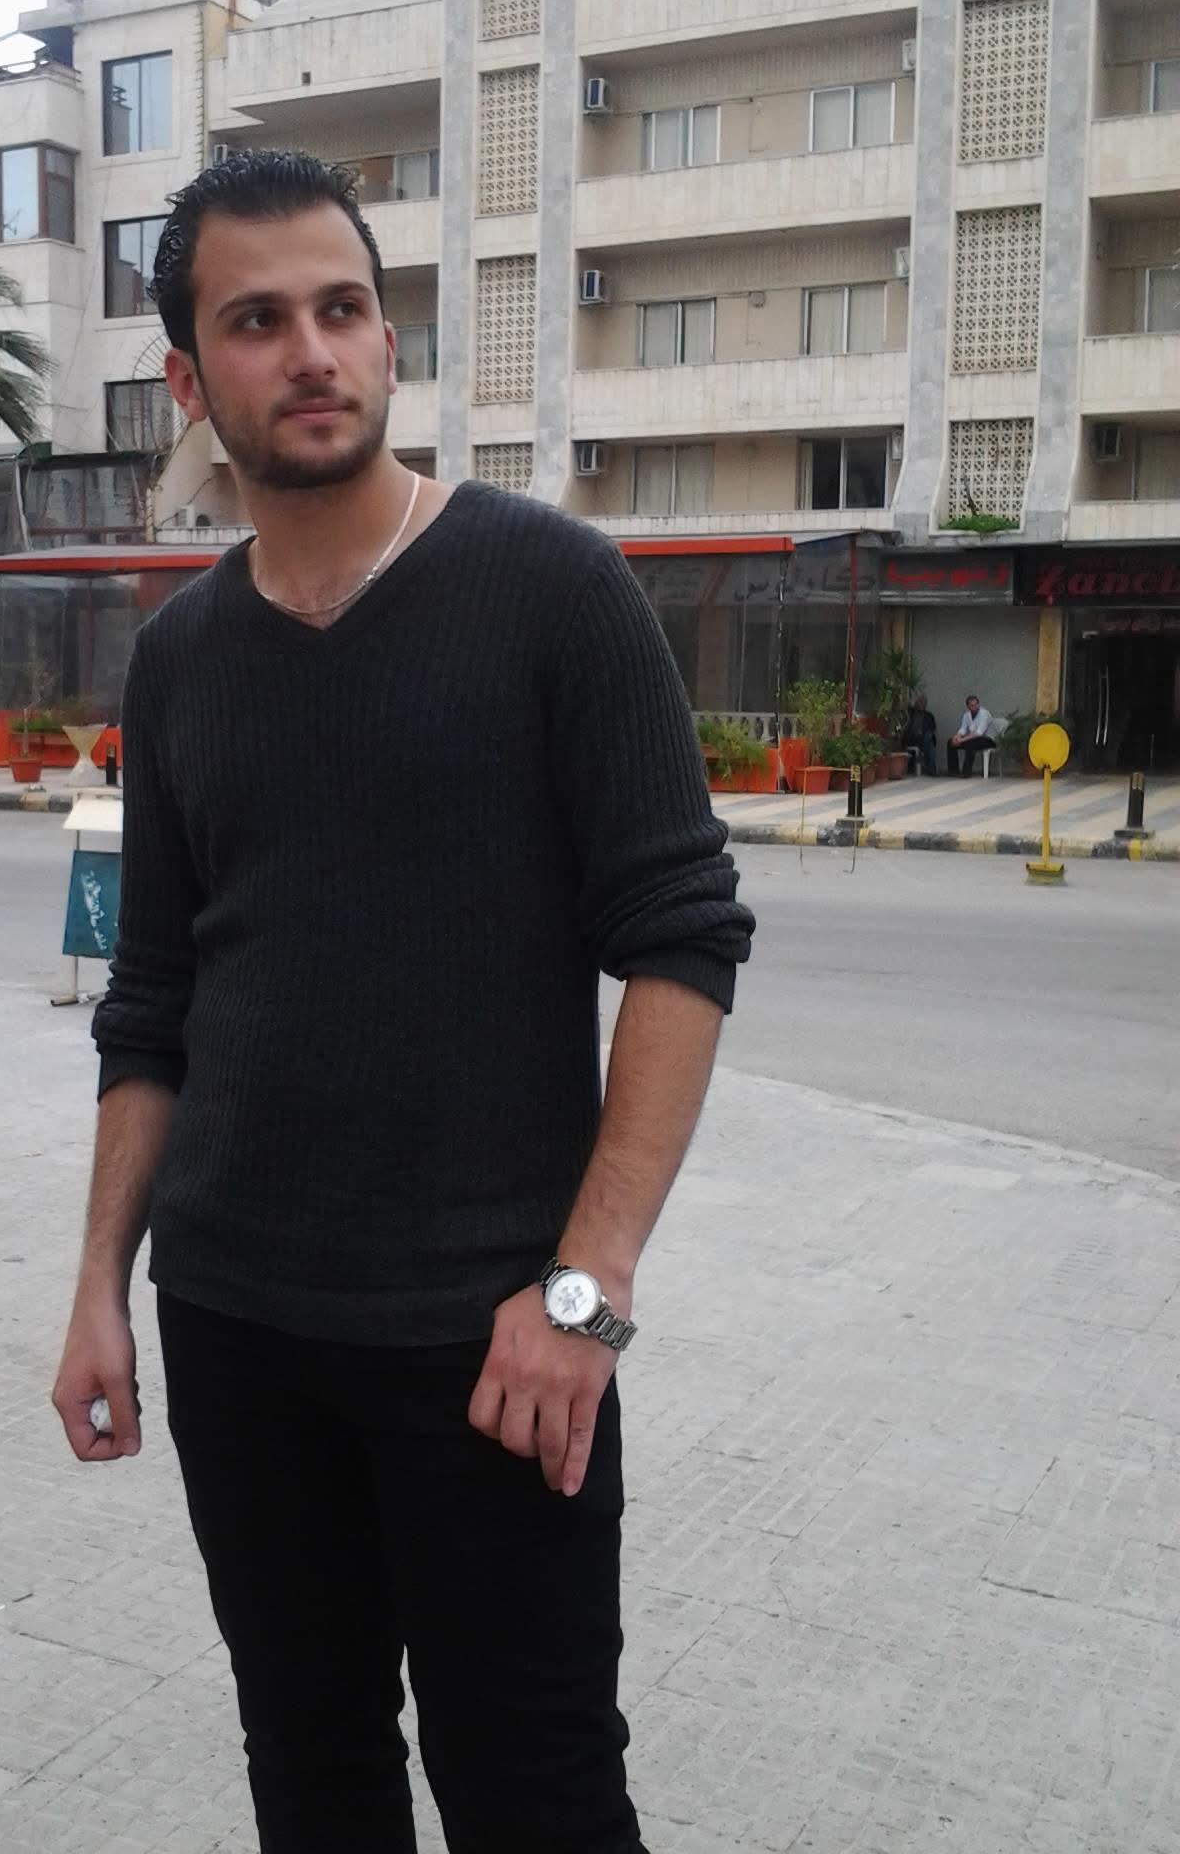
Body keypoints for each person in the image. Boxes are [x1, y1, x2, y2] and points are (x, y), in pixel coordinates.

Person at [51, 150, 755, 1854]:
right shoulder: (184, 654)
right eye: (259, 319)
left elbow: (681, 939)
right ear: (189, 378)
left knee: (540, 1796)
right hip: (236, 1329)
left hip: (490, 1345)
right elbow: (152, 1002)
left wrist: (581, 1295)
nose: (314, 350)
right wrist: (98, 1285)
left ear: (386, 337)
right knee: (313, 1778)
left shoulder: (551, 590)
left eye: (345, 308)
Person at [947, 693, 993, 775]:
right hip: (974, 738)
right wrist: (956, 737)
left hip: (988, 739)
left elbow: (979, 733)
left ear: (978, 704)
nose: (974, 707)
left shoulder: (984, 713)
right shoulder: (966, 715)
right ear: (968, 706)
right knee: (950, 742)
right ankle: (953, 771)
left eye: (975, 705)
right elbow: (963, 729)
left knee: (970, 743)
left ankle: (966, 772)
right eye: (971, 705)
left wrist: (962, 739)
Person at [901, 692, 937, 776]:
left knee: (929, 739)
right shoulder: (910, 713)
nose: (922, 704)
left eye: (924, 703)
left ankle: (931, 768)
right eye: (920, 702)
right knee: (930, 745)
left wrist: (924, 733)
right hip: (912, 739)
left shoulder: (929, 715)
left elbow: (932, 728)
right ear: (916, 703)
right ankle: (931, 768)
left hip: (924, 739)